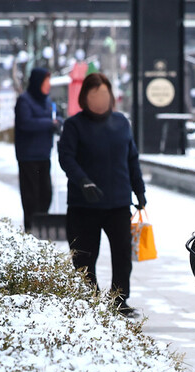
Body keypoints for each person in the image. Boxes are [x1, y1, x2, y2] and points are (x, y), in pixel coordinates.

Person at [58, 72, 146, 317]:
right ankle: (89, 299)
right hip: (83, 204)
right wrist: (83, 181)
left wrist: (139, 190)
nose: (100, 100)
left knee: (122, 256)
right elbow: (66, 158)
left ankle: (120, 299)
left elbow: (132, 159)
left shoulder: (121, 123)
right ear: (85, 97)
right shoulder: (74, 125)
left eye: (104, 95)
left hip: (117, 203)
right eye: (95, 95)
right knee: (85, 257)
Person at [14, 67, 61, 230]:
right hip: (28, 157)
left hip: (44, 155)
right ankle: (31, 226)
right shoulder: (24, 100)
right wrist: (50, 123)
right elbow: (26, 123)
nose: (48, 85)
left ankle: (42, 224)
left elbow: (55, 116)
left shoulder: (47, 101)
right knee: (31, 195)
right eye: (46, 81)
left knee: (45, 193)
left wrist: (57, 122)